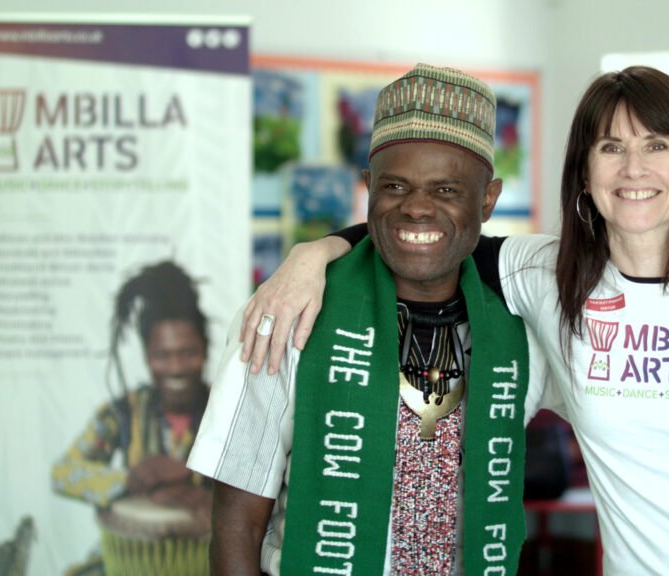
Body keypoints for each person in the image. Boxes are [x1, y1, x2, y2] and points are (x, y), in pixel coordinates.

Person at [241, 67, 669, 575]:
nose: (634, 168)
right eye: (611, 147)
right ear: (584, 172)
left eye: (656, 145)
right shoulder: (544, 275)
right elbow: (423, 225)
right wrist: (314, 252)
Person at [187, 64, 554, 576]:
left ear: (487, 199)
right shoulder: (289, 315)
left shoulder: (521, 331)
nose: (417, 209)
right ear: (368, 189)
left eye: (446, 190)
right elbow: (236, 525)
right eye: (396, 186)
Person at [52, 260, 213, 574]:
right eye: (162, 356)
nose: (176, 368)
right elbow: (63, 473)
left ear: (205, 350)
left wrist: (196, 487)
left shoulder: (227, 412)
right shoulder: (122, 414)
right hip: (130, 559)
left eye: (188, 352)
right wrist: (133, 480)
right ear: (146, 356)